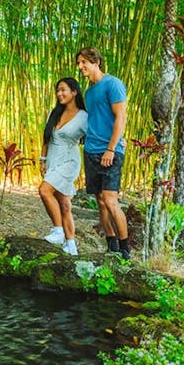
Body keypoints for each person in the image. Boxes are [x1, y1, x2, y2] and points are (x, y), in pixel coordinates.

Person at [76, 47, 130, 260]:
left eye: (83, 62)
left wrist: (111, 148)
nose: (80, 67)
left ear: (96, 61)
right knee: (99, 200)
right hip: (91, 151)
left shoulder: (113, 84)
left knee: (110, 200)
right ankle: (112, 245)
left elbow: (120, 118)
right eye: (79, 63)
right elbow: (94, 120)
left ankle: (125, 250)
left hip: (110, 152)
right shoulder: (89, 92)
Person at [39, 77, 88, 256]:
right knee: (64, 204)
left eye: (63, 90)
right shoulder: (55, 113)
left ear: (74, 92)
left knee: (44, 190)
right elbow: (46, 138)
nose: (59, 93)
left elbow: (95, 134)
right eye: (57, 90)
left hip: (69, 161)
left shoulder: (84, 117)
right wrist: (42, 159)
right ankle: (71, 245)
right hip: (53, 159)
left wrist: (113, 147)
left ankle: (58, 231)